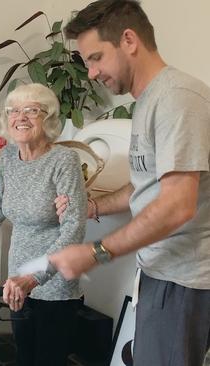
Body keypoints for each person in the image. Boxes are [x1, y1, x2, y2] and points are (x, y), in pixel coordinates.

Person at [50, 1, 210, 365]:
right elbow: (146, 186)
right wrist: (93, 207)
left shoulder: (177, 99)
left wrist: (96, 252)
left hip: (184, 281)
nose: (91, 73)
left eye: (95, 58)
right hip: (160, 273)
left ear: (128, 40)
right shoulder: (149, 100)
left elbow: (177, 204)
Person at [0, 83, 87, 366]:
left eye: (32, 110)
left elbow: (73, 228)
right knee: (23, 357)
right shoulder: (7, 157)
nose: (20, 117)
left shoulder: (64, 160)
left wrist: (34, 277)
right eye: (14, 111)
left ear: (48, 118)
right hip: (17, 281)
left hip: (55, 286)